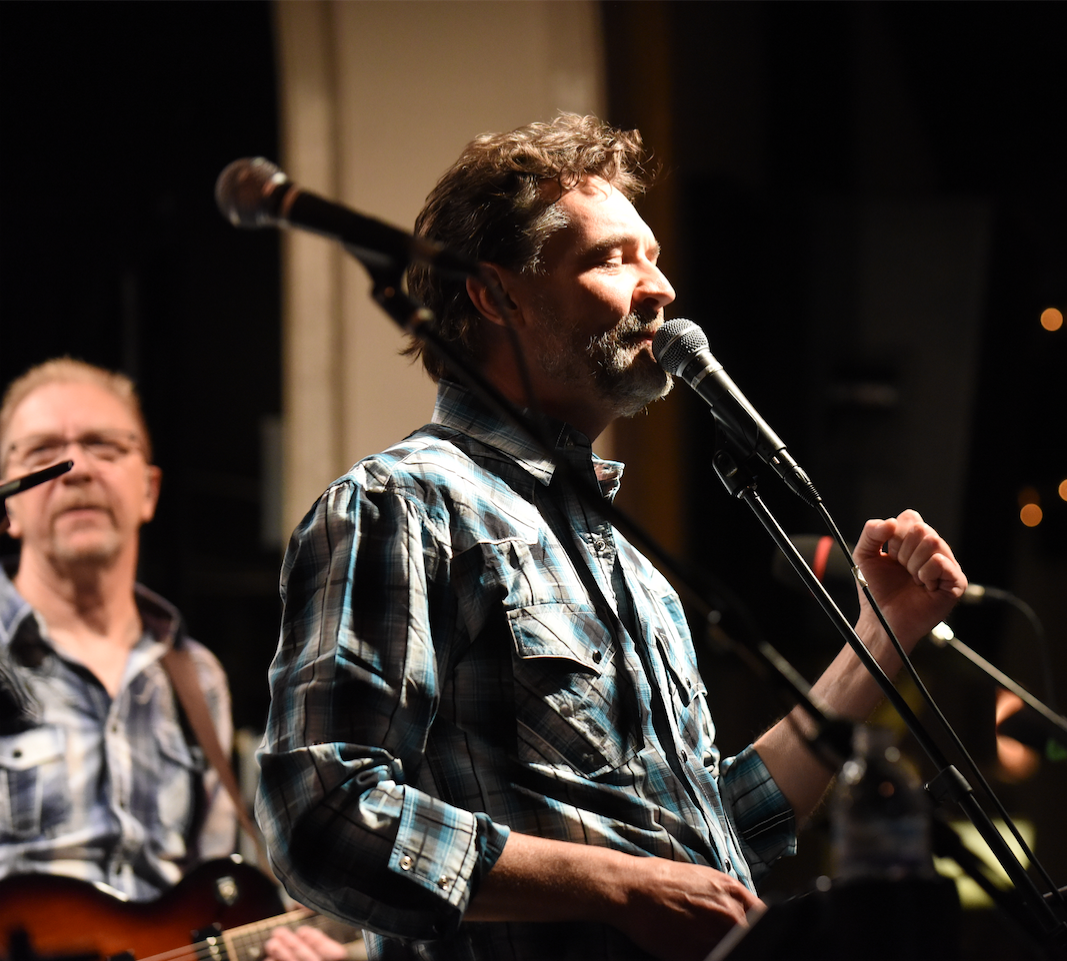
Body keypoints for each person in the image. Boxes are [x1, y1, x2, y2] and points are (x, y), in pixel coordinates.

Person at [256, 113, 967, 961]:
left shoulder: (629, 559)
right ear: (493, 295)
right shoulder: (402, 504)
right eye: (609, 258)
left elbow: (710, 837)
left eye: (652, 256)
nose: (658, 288)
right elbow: (319, 812)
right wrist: (622, 885)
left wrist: (881, 635)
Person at [0, 359, 348, 961]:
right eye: (43, 453)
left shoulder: (195, 677)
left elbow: (214, 903)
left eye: (105, 446)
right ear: (7, 502)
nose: (78, 469)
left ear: (149, 490)